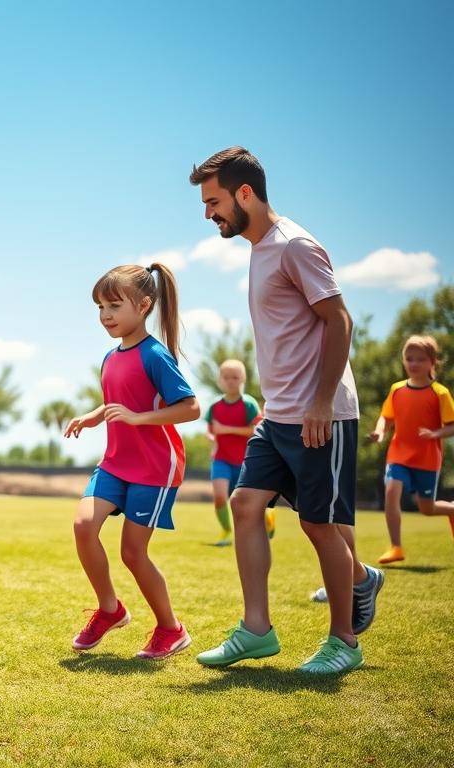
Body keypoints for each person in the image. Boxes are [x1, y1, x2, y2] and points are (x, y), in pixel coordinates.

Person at [190, 147, 381, 674]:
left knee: (320, 527)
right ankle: (256, 630)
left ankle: (344, 640)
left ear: (244, 192)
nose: (210, 214)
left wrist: (320, 400)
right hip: (277, 417)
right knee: (246, 505)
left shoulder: (295, 245)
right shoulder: (259, 249)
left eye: (214, 202)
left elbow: (339, 321)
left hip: (321, 415)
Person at [64, 263, 199, 659]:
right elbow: (118, 401)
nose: (105, 315)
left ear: (143, 305)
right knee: (83, 525)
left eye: (114, 306)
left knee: (132, 554)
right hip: (114, 463)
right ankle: (110, 609)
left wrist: (140, 419)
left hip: (155, 468)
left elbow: (190, 408)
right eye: (100, 307)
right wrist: (94, 416)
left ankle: (171, 629)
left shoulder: (156, 355)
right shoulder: (109, 357)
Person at [369, 335, 454, 564]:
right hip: (398, 454)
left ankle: (452, 510)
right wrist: (380, 432)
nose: (413, 363)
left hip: (427, 459)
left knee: (426, 509)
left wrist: (436, 434)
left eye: (420, 359)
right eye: (409, 358)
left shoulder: (440, 393)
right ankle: (396, 547)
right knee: (391, 490)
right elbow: (385, 418)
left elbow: (452, 426)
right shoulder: (397, 390)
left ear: (432, 362)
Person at [205, 359, 265, 546]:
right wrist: (212, 437)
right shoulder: (215, 406)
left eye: (235, 377)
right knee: (220, 496)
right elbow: (210, 429)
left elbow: (255, 430)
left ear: (243, 379)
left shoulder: (249, 404)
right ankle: (226, 532)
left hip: (246, 461)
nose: (231, 381)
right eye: (226, 377)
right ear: (220, 380)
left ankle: (268, 518)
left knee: (247, 503)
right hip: (221, 459)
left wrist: (225, 429)